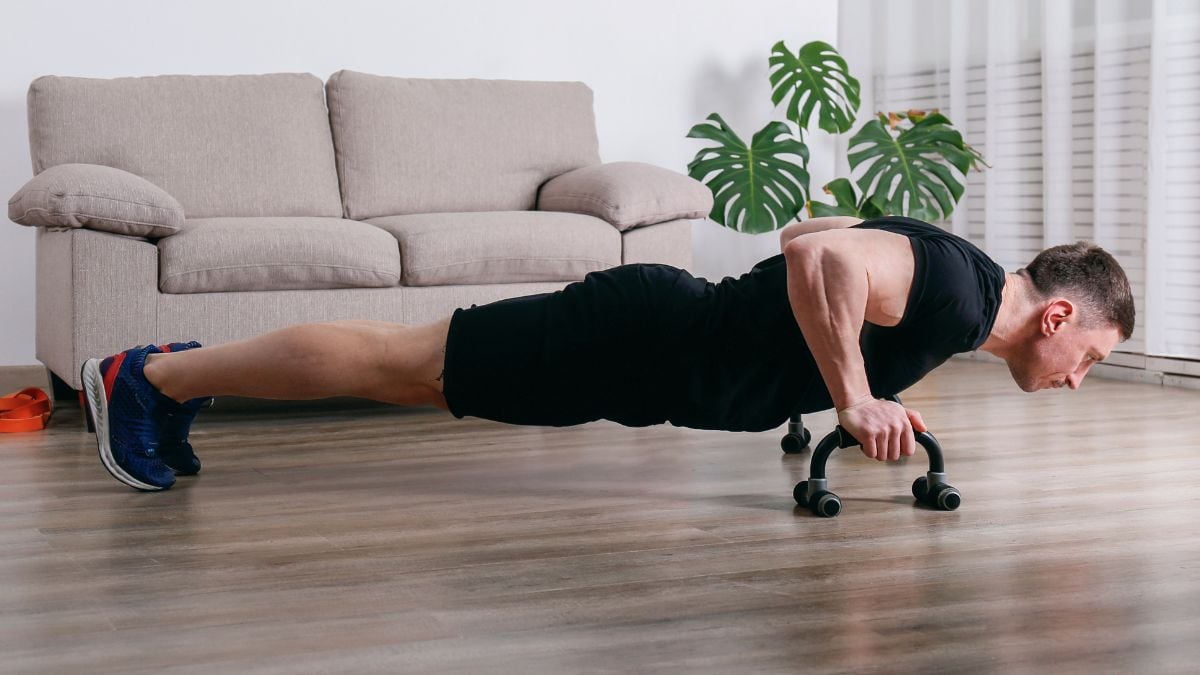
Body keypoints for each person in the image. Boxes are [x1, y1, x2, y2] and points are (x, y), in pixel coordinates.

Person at [81, 216, 1135, 491]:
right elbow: (827, 271)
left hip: (650, 347)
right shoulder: (955, 293)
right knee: (398, 364)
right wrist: (853, 394)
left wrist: (843, 374)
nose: (1080, 378)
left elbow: (808, 239)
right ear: (1056, 319)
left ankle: (176, 375)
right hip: (643, 340)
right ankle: (152, 375)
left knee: (411, 373)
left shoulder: (953, 273)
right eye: (1091, 357)